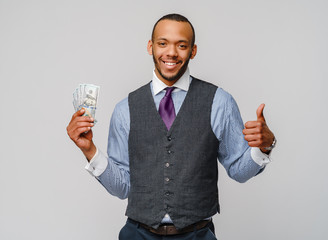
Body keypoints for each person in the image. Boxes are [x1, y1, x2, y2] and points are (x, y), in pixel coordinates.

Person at [67, 13, 275, 240]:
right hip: (137, 234)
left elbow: (238, 170)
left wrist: (263, 147)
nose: (171, 53)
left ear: (193, 51)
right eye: (163, 43)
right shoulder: (125, 108)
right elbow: (123, 187)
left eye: (182, 45)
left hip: (197, 235)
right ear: (151, 47)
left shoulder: (219, 102)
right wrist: (89, 150)